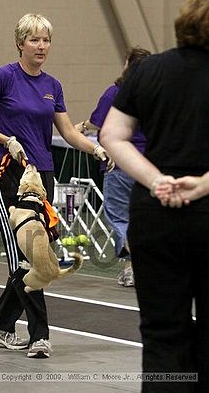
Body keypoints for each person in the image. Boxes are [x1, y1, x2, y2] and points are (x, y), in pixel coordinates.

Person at [0, 13, 112, 358]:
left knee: (33, 252)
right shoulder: (3, 77)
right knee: (30, 253)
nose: (41, 46)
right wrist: (6, 139)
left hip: (42, 174)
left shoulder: (53, 86)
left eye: (46, 40)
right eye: (34, 39)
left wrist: (98, 146)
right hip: (6, 170)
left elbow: (69, 132)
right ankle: (39, 335)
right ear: (20, 43)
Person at [100, 0, 209, 392]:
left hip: (156, 215)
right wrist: (200, 186)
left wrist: (156, 179)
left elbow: (112, 135)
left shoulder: (148, 71)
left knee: (162, 336)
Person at [75, 47, 151, 287]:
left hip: (119, 164)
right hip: (148, 166)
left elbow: (98, 122)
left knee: (120, 218)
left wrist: (82, 127)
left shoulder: (115, 93)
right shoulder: (157, 94)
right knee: (146, 218)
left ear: (127, 65)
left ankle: (135, 265)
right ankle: (138, 266)